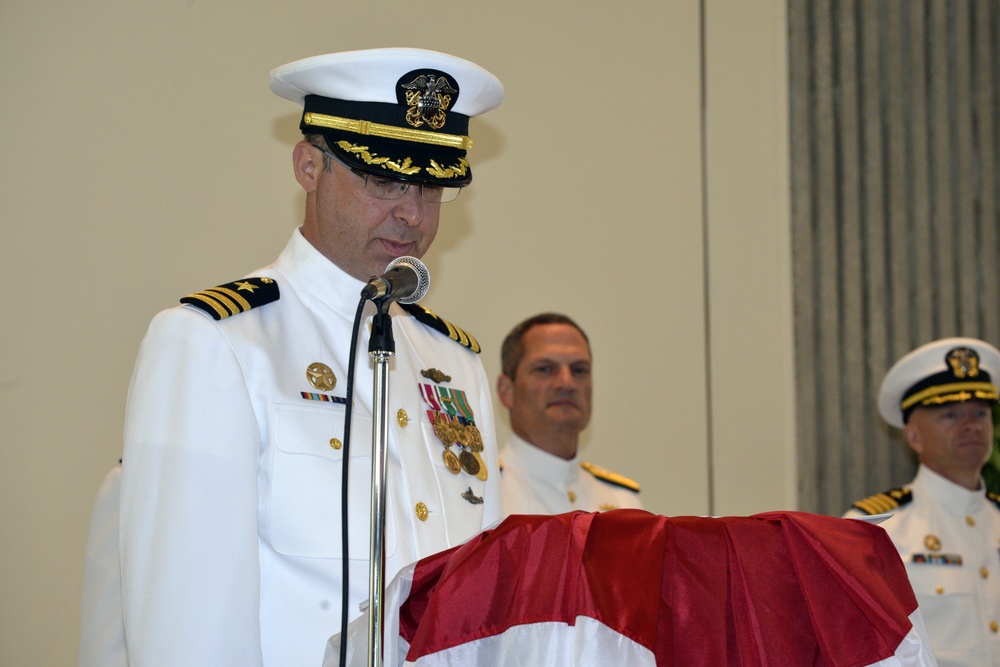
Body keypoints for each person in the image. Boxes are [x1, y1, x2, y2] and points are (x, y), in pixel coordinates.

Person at [115, 48, 504, 666]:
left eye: (432, 188)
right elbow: (184, 630)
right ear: (308, 166)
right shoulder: (218, 343)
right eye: (386, 179)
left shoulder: (453, 363)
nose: (412, 213)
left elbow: (492, 603)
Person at [845, 337, 1000, 667]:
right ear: (913, 436)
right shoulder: (874, 528)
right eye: (950, 415)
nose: (971, 425)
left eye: (980, 413)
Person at [495, 313, 642, 516]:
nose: (567, 383)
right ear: (506, 391)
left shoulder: (623, 502)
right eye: (545, 369)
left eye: (579, 370)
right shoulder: (482, 494)